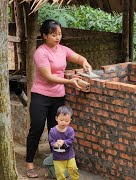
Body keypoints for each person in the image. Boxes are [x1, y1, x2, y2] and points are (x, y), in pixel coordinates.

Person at [26, 19, 92, 178]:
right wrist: (70, 81)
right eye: (53, 34)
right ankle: (29, 163)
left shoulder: (62, 50)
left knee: (56, 130)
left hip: (58, 97)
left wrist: (85, 62)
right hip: (40, 96)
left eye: (59, 34)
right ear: (44, 35)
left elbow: (77, 57)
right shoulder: (40, 52)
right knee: (36, 128)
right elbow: (48, 77)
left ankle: (57, 162)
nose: (57, 37)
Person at [49, 106, 79, 180]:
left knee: (74, 169)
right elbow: (51, 141)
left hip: (69, 155)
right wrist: (55, 144)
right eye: (61, 120)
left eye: (66, 121)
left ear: (70, 120)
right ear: (57, 119)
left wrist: (64, 142)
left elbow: (71, 140)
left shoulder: (70, 130)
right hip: (58, 157)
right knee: (59, 173)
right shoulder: (53, 131)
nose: (64, 122)